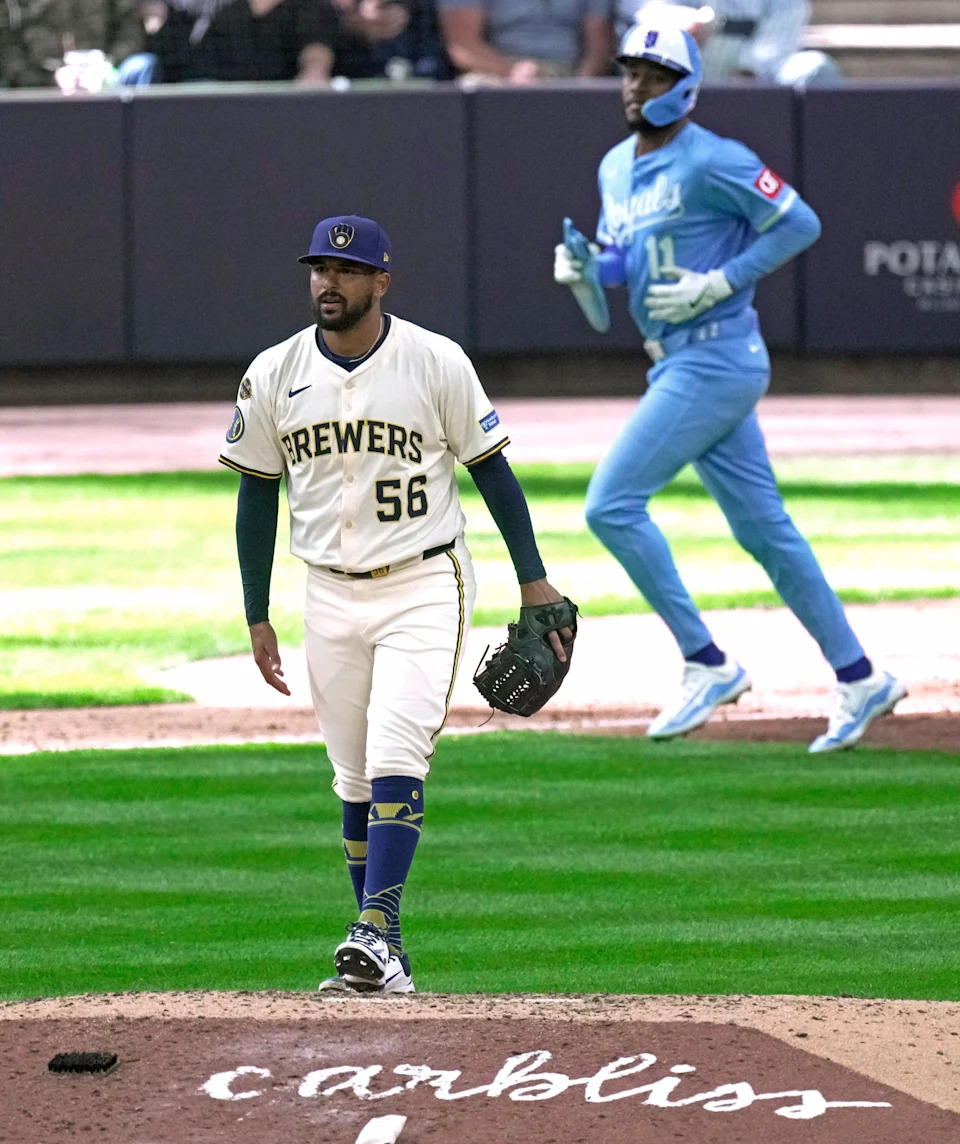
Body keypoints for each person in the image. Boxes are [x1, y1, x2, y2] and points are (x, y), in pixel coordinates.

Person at [219, 214, 573, 993]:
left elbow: (492, 471)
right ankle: (386, 960)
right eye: (320, 269)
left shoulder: (435, 361)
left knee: (394, 757)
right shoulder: (273, 372)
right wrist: (256, 611)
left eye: (347, 271)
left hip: (423, 584)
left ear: (381, 281)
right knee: (351, 779)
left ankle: (374, 927)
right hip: (326, 592)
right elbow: (256, 493)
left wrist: (534, 579)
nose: (329, 283)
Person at [553, 21, 905, 753]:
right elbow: (625, 260)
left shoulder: (716, 159)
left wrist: (722, 279)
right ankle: (860, 675)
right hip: (678, 357)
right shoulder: (615, 166)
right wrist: (588, 267)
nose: (635, 86)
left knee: (611, 504)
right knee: (765, 531)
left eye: (652, 75)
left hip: (715, 357)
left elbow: (799, 222)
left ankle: (706, 660)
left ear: (685, 87)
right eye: (630, 72)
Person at [619, 0, 840, 89]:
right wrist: (668, 20)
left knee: (814, 68)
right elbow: (638, 8)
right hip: (680, 73)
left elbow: (785, 22)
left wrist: (750, 69)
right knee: (641, 43)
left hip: (763, 87)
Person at [131, 0, 339, 84]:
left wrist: (315, 72)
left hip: (268, 111)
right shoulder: (206, 6)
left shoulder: (307, 8)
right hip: (194, 99)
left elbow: (316, 52)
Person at [436, 0, 613, 84]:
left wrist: (581, 83)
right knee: (471, 87)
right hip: (497, 74)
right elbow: (463, 46)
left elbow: (599, 46)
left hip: (569, 74)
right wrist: (512, 71)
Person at [0, 0, 147, 88]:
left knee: (142, 65)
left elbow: (131, 33)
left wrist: (106, 65)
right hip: (39, 84)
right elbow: (9, 51)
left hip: (104, 73)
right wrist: (53, 78)